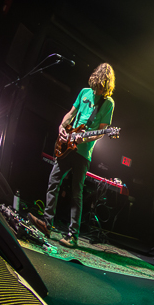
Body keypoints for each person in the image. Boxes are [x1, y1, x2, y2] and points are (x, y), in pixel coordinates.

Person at [30, 63, 116, 248]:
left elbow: (101, 132)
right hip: (66, 146)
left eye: (101, 88)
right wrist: (61, 127)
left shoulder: (108, 103)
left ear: (106, 86)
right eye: (95, 87)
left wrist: (81, 139)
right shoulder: (84, 92)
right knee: (53, 182)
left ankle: (72, 236)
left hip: (83, 153)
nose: (97, 91)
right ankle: (47, 223)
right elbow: (71, 113)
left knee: (77, 193)